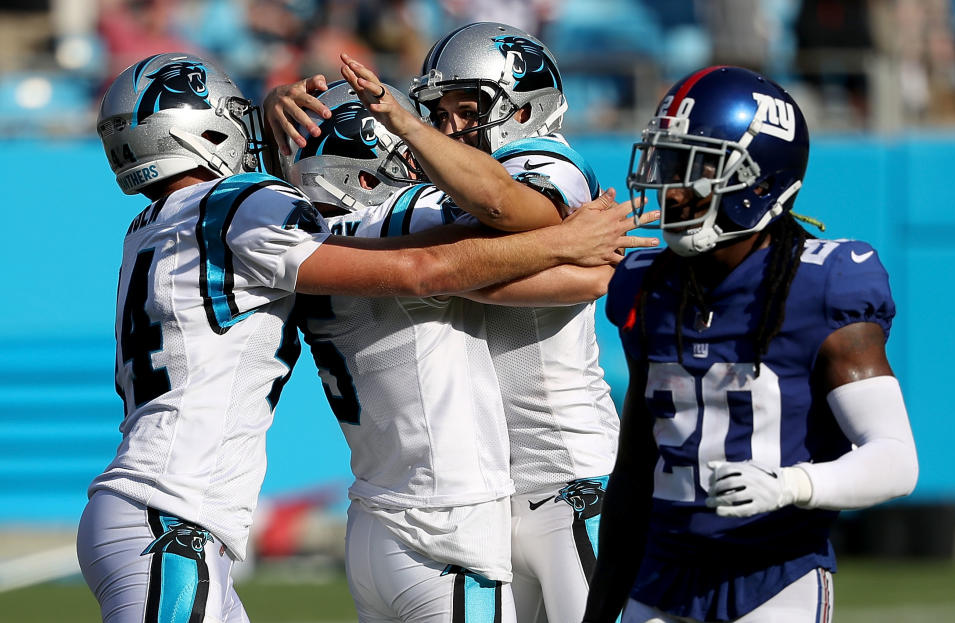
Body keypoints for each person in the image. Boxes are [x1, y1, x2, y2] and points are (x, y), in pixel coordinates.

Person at [74, 52, 645, 623]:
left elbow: (317, 223)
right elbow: (436, 266)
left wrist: (278, 137)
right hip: (205, 519)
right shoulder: (275, 209)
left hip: (344, 519)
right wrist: (568, 242)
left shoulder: (163, 224)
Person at [267, 75, 658, 622]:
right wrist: (566, 242)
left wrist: (275, 113)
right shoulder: (404, 216)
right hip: (464, 517)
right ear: (359, 167)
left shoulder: (305, 242)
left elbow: (457, 263)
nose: (422, 160)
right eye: (403, 153)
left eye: (461, 113)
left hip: (404, 511)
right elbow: (506, 252)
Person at [583, 65, 919, 623]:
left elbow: (896, 459)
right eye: (668, 163)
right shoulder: (649, 282)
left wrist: (793, 484)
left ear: (759, 181)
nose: (673, 188)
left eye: (696, 169)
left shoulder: (823, 285)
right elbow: (636, 470)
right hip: (662, 573)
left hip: (773, 573)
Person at [343, 22, 627, 623]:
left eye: (466, 110)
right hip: (495, 501)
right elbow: (460, 263)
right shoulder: (446, 190)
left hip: (572, 478)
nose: (449, 129)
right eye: (438, 114)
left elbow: (503, 204)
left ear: (524, 107)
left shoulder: (549, 163)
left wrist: (406, 125)